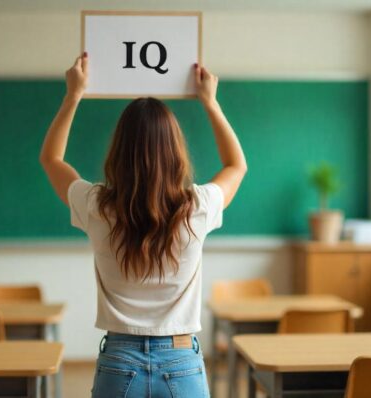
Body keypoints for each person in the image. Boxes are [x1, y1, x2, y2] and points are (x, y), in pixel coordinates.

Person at [40, 52, 246, 398]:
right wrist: (211, 103)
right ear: (176, 154)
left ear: (118, 153)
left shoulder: (97, 206)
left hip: (119, 360)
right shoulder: (196, 207)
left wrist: (73, 95)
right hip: (181, 359)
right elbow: (236, 166)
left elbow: (51, 159)